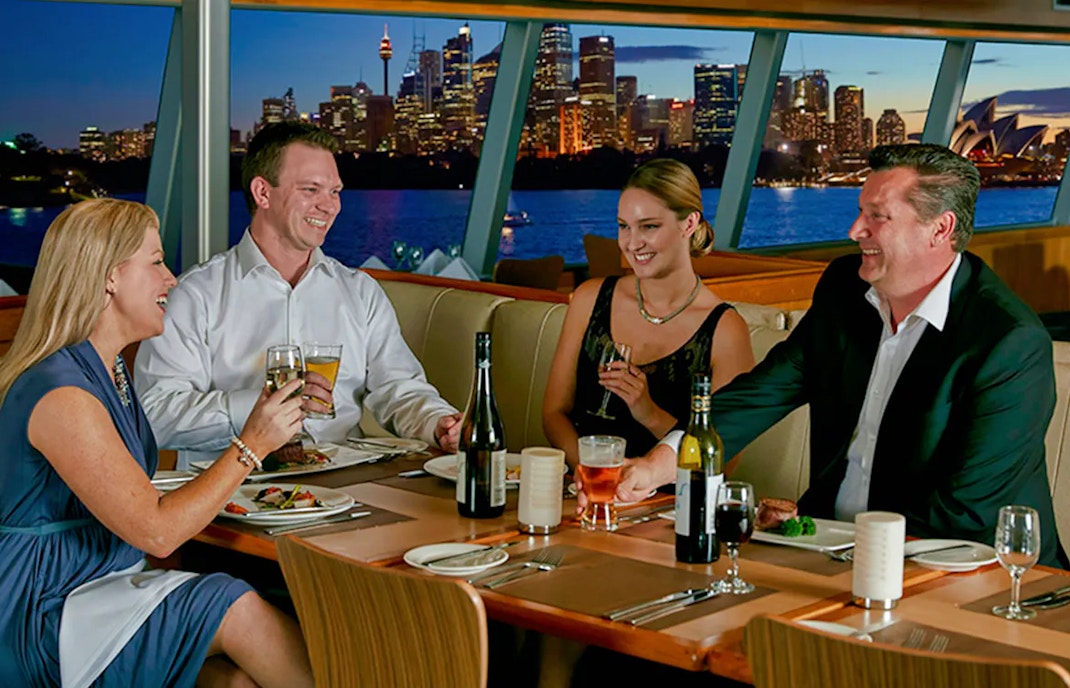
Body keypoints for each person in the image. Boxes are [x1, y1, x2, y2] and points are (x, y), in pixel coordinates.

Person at [619, 144, 1064, 567]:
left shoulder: (1008, 342)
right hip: (838, 552)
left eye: (877, 216)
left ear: (940, 229)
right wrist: (656, 466)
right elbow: (758, 396)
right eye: (859, 211)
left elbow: (963, 512)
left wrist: (829, 541)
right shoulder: (844, 289)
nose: (855, 231)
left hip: (975, 575)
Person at [0, 199, 313, 687]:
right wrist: (252, 444)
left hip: (102, 591)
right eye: (157, 262)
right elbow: (158, 533)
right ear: (110, 276)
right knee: (232, 605)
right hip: (45, 614)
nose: (172, 279)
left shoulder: (110, 369)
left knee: (235, 681)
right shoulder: (61, 393)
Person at [134, 121, 462, 470]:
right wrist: (259, 408)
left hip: (348, 488)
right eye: (311, 190)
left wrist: (438, 424)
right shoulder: (196, 295)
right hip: (232, 491)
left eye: (334, 192)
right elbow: (154, 416)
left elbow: (399, 388)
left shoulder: (360, 292)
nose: (330, 207)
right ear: (262, 193)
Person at [543, 159, 755, 470]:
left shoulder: (725, 330)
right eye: (623, 226)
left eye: (649, 226)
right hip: (584, 485)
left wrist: (649, 413)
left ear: (689, 224)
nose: (632, 243)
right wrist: (594, 473)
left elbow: (725, 461)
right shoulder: (590, 299)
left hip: (669, 496)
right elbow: (553, 414)